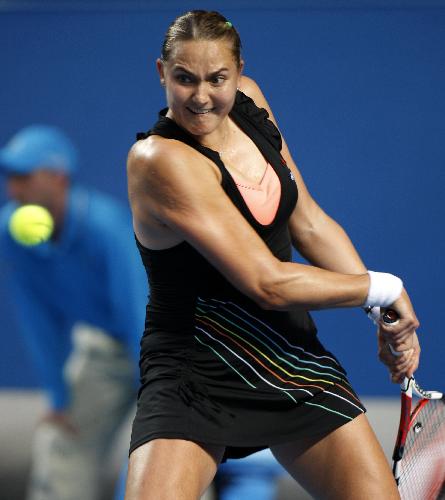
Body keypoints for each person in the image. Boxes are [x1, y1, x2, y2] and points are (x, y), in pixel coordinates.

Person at [124, 10, 420, 500]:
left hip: (291, 356)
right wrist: (384, 287)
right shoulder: (158, 160)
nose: (201, 97)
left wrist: (379, 312)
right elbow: (268, 283)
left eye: (217, 78)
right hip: (196, 369)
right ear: (161, 72)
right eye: (184, 79)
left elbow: (307, 221)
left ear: (239, 72)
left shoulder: (249, 104)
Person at [0, 124, 148, 500]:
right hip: (102, 350)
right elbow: (36, 314)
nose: (14, 190)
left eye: (24, 177)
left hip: (163, 343)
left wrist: (155, 384)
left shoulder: (105, 228)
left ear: (58, 177)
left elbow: (139, 309)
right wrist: (57, 395)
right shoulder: (12, 232)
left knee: (162, 452)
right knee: (61, 438)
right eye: (10, 178)